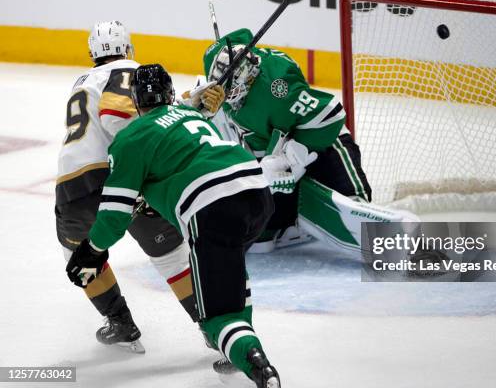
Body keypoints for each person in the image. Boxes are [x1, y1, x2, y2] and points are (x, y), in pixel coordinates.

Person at [65, 64, 280, 387]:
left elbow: (114, 215)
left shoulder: (129, 139)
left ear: (136, 101)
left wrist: (92, 250)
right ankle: (235, 345)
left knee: (217, 319)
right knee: (230, 262)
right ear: (169, 94)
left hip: (213, 207)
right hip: (258, 193)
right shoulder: (192, 116)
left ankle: (257, 364)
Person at [56, 21, 217, 353]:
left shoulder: (83, 81)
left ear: (92, 54)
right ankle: (215, 328)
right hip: (125, 176)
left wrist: (187, 104)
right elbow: (121, 116)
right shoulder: (130, 70)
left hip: (72, 186)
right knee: (172, 257)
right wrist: (188, 108)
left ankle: (120, 322)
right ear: (128, 49)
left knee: (78, 252)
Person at [199, 28, 373, 252]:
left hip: (322, 140)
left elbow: (331, 116)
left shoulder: (276, 86)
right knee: (258, 242)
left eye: (232, 85)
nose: (227, 95)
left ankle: (352, 200)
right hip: (274, 150)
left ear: (248, 72)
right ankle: (289, 221)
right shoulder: (221, 80)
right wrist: (201, 107)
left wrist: (293, 156)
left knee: (355, 207)